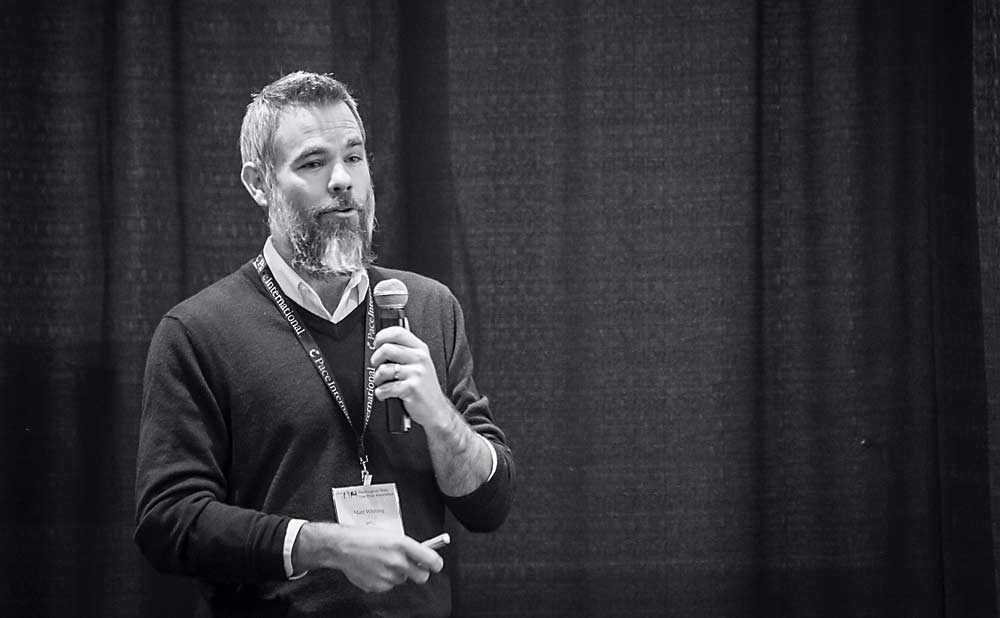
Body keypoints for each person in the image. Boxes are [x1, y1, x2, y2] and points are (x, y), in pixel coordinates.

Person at [134, 71, 515, 616]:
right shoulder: (197, 332)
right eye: (313, 163)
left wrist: (439, 418)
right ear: (258, 182)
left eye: (355, 158)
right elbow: (168, 520)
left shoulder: (428, 307)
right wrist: (325, 545)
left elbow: (489, 505)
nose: (343, 180)